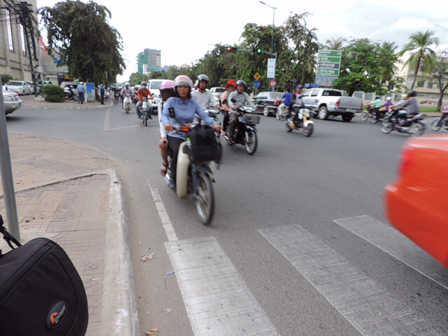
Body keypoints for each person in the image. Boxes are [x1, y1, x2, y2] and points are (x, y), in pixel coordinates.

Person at [162, 75, 221, 189]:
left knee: (202, 147)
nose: (183, 89)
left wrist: (214, 124)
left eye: (185, 87)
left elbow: (203, 115)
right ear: (176, 89)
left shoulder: (193, 102)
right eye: (180, 87)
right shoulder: (171, 101)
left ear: (189, 89)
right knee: (178, 152)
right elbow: (164, 115)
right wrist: (167, 124)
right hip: (175, 133)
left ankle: (200, 171)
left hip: (190, 132)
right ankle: (173, 178)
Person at [227, 80, 254, 144]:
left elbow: (250, 102)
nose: (241, 88)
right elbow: (230, 102)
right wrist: (233, 107)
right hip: (234, 112)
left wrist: (254, 107)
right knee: (233, 120)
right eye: (240, 86)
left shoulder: (245, 95)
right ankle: (230, 137)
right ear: (237, 87)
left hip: (243, 112)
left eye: (242, 86)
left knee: (250, 122)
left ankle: (246, 136)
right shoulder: (232, 94)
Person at [158, 80, 175, 177]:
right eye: (165, 93)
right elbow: (162, 122)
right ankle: (165, 163)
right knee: (163, 144)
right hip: (169, 132)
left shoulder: (180, 102)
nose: (167, 95)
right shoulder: (161, 105)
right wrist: (163, 136)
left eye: (169, 92)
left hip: (183, 130)